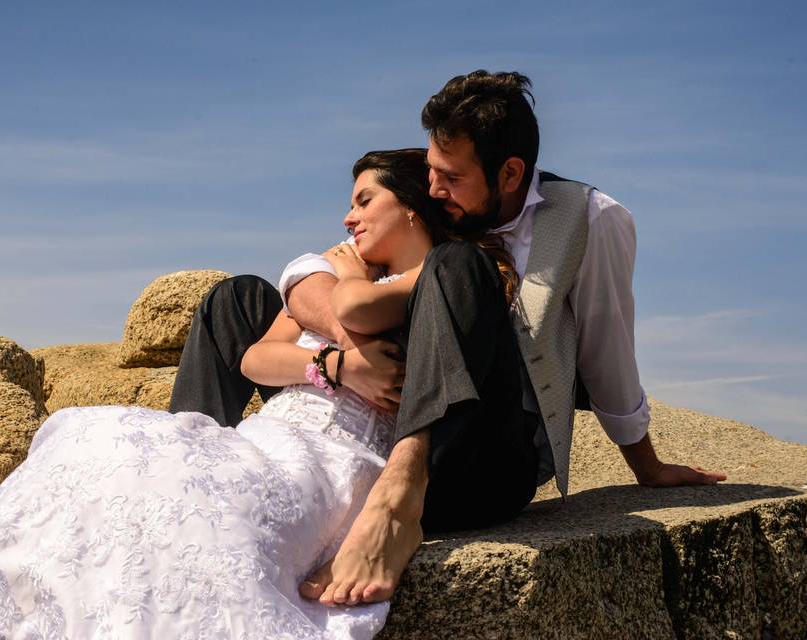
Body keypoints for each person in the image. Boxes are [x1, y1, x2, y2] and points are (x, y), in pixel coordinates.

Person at [0, 149, 497, 639]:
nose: (347, 218)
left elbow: (353, 307)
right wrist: (335, 365)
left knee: (214, 514)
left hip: (339, 453)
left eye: (364, 201)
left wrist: (344, 279)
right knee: (109, 447)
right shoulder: (334, 278)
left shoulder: (443, 278)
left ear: (414, 208)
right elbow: (256, 357)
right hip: (277, 426)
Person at [200, 70, 727, 608]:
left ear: (510, 173)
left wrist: (647, 465)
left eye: (449, 176)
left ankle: (399, 499)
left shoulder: (589, 219)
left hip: (482, 444)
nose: (433, 188)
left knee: (457, 263)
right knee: (236, 298)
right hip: (379, 403)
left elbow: (606, 341)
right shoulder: (432, 205)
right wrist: (345, 356)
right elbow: (319, 270)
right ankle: (198, 464)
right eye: (429, 171)